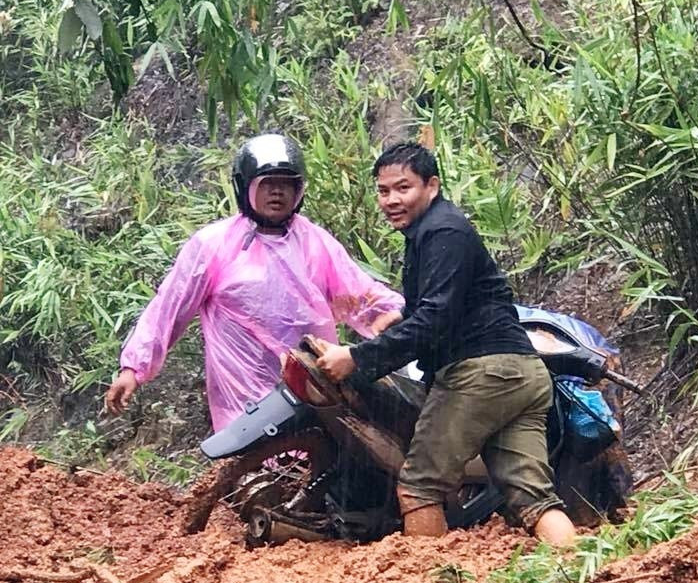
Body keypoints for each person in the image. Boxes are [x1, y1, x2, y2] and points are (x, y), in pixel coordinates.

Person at [317, 142, 576, 548]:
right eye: (383, 191)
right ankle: (578, 577)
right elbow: (455, 300)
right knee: (533, 497)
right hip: (523, 373)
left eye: (403, 188)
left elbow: (435, 320)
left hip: (480, 373)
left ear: (432, 185)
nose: (391, 200)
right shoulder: (436, 229)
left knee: (420, 486)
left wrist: (357, 357)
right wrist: (402, 316)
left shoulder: (442, 230)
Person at [105, 133, 403, 429]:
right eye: (267, 183)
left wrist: (405, 316)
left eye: (287, 184)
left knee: (319, 462)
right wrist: (134, 367)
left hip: (312, 383)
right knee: (255, 469)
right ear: (245, 187)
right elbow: (169, 308)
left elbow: (359, 293)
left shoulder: (313, 241)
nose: (277, 192)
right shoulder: (214, 245)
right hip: (244, 394)